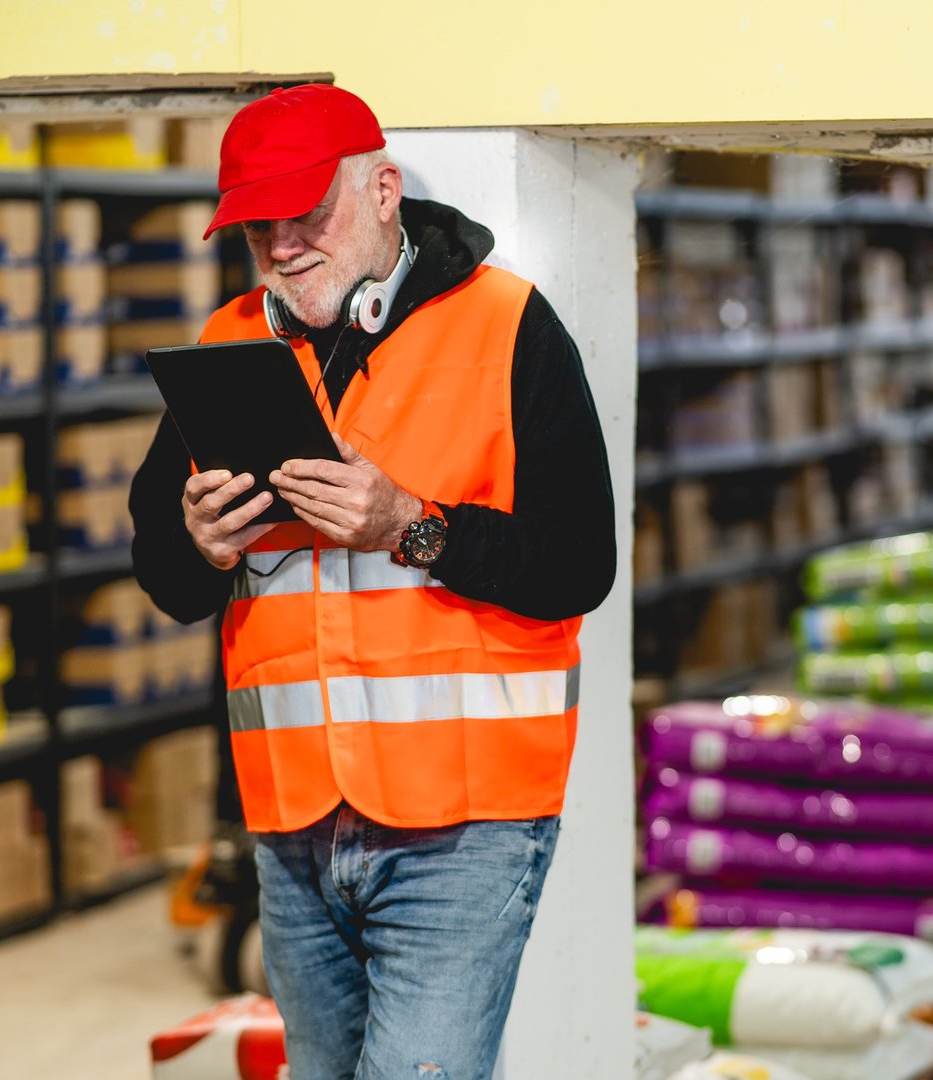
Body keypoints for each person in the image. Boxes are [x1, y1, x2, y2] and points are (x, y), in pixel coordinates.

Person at [129, 83, 616, 1079]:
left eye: (306, 217)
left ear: (385, 190)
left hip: (464, 827)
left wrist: (413, 525)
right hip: (291, 821)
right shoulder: (228, 346)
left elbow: (580, 563)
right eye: (257, 229)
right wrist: (201, 546)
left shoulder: (509, 326)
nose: (281, 248)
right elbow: (166, 578)